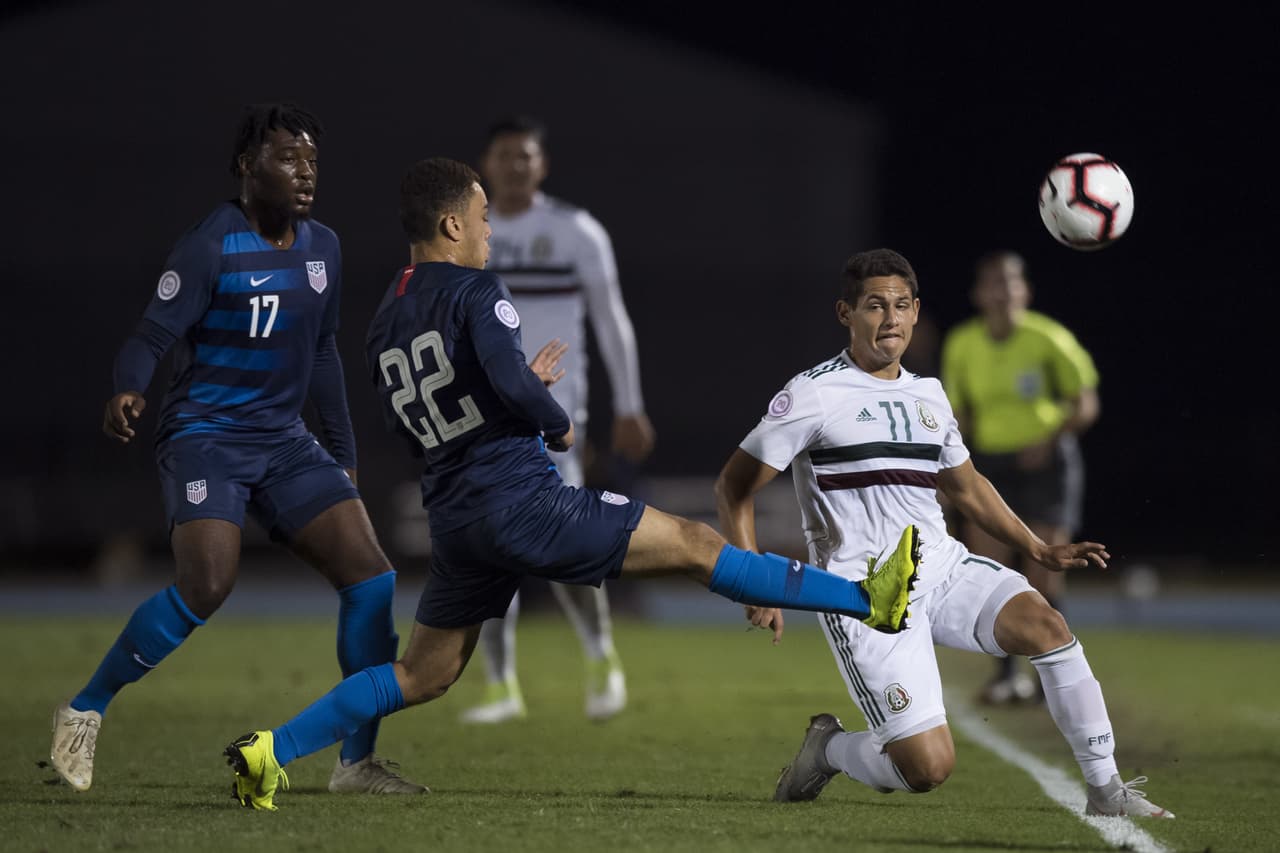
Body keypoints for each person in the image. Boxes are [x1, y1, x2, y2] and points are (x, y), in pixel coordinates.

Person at [221, 158, 917, 811]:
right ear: (451, 225)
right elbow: (517, 387)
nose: (492, 230)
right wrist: (552, 422)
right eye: (483, 215)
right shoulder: (475, 289)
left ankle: (271, 750)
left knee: (421, 674)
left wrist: (513, 400)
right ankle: (866, 599)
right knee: (698, 544)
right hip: (523, 500)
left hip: (458, 518)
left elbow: (421, 426)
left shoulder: (382, 319)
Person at [714, 248, 1171, 818]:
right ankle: (829, 749)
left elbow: (965, 486)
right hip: (864, 595)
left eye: (902, 306)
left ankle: (1107, 791)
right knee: (927, 769)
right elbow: (734, 488)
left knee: (1047, 626)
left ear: (916, 312)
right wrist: (753, 581)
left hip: (943, 567)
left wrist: (1036, 546)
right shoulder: (813, 395)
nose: (891, 319)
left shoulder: (927, 393)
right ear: (845, 314)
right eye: (875, 306)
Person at [50, 103, 425, 796]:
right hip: (205, 436)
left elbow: (322, 352)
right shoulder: (209, 244)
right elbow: (150, 336)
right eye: (289, 158)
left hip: (284, 441)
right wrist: (128, 387)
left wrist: (341, 452)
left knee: (372, 579)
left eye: (313, 160)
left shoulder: (325, 248)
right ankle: (85, 708)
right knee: (208, 584)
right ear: (247, 167)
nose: (305, 173)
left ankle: (356, 762)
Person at [460, 116, 656, 723]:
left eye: (526, 156)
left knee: (560, 546)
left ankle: (602, 658)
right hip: (481, 416)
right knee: (486, 549)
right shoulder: (466, 233)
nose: (516, 165)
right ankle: (500, 687)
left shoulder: (575, 231)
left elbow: (612, 320)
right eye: (505, 155)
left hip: (552, 417)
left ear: (542, 164)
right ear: (487, 164)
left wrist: (629, 406)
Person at [940, 251, 1100, 705]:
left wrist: (1051, 440)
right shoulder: (963, 343)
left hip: (1048, 466)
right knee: (992, 574)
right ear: (978, 294)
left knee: (1046, 577)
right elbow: (959, 413)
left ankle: (1061, 678)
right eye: (993, 283)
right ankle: (1008, 677)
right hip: (992, 465)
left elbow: (1084, 403)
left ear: (1024, 291)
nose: (1002, 292)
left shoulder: (1049, 339)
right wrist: (950, 468)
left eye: (1011, 283)